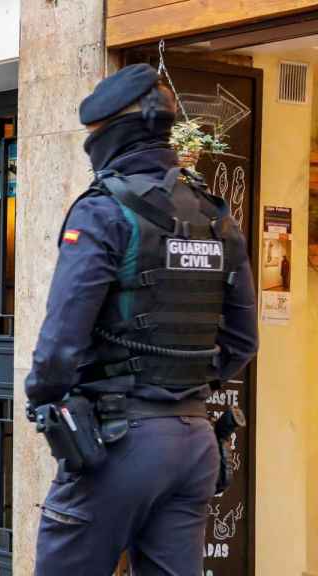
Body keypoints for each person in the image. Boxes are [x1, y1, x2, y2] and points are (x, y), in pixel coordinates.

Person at [26, 64, 259, 574]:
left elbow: (60, 343)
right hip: (195, 442)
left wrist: (43, 398)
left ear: (110, 134)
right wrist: (179, 382)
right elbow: (242, 342)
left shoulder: (102, 211)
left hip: (116, 440)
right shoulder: (217, 216)